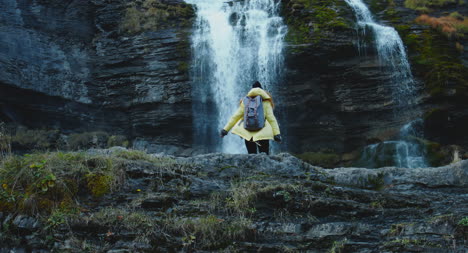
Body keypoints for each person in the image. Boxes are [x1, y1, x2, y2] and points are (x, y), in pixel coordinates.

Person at [220, 81, 282, 155]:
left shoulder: (245, 101)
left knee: (251, 156)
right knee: (264, 156)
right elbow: (271, 119)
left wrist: (225, 130)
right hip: (263, 134)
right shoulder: (266, 102)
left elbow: (235, 117)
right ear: (262, 90)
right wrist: (276, 134)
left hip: (248, 134)